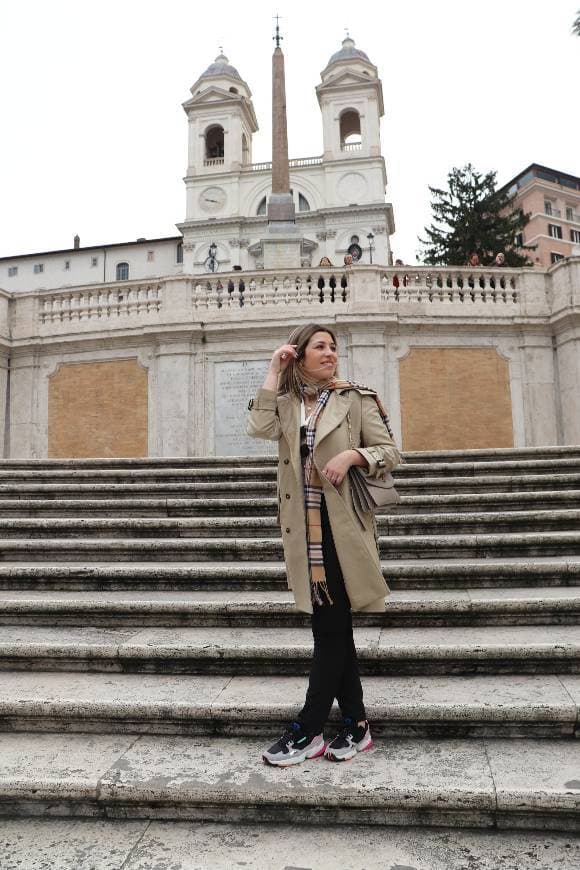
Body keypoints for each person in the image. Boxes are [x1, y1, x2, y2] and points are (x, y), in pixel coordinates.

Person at [247, 323, 400, 766]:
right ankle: (356, 725)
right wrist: (274, 371)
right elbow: (257, 426)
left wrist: (353, 455)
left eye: (333, 347)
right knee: (334, 628)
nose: (330, 353)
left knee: (329, 629)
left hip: (343, 527)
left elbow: (389, 451)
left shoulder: (355, 398)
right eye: (320, 346)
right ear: (299, 354)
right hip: (305, 532)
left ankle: (308, 728)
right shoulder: (288, 403)